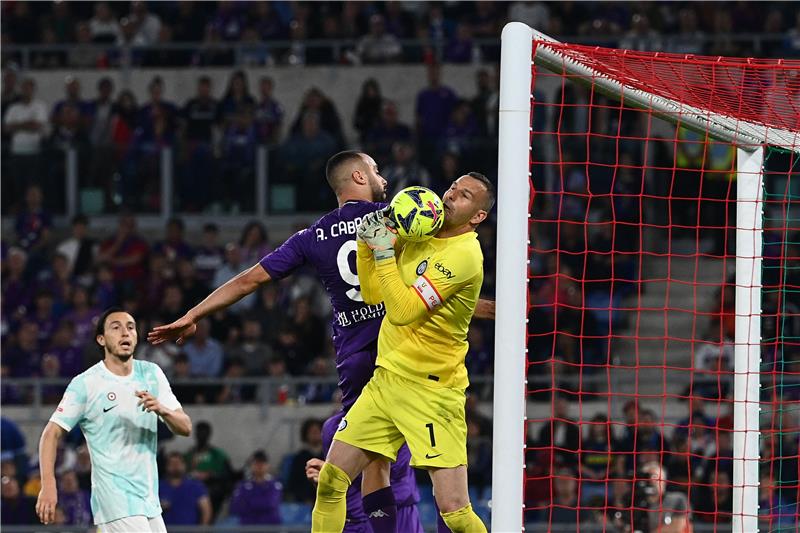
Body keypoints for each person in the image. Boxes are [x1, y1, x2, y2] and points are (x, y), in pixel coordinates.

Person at [150, 151, 442, 532]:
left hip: (356, 359)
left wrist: (193, 314)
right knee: (437, 457)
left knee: (373, 463)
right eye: (374, 170)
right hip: (401, 347)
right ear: (358, 176)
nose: (382, 177)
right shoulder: (395, 217)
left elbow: (248, 280)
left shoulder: (313, 236)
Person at [312, 171, 496, 532]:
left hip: (431, 392)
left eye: (464, 196)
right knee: (331, 482)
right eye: (452, 188)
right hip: (387, 381)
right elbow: (373, 294)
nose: (450, 195)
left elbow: (402, 311)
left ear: (478, 216)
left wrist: (384, 251)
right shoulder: (420, 231)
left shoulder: (463, 255)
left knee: (455, 512)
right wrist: (366, 245)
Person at [36, 308, 191, 532]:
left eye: (130, 327)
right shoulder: (86, 383)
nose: (125, 333)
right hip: (114, 498)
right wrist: (48, 485)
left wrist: (162, 410)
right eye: (116, 327)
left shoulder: (152, 373)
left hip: (148, 498)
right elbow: (51, 433)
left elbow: (185, 427)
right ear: (101, 339)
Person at [159, 452, 211, 526]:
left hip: (189, 529)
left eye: (178, 463)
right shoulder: (158, 486)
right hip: (165, 529)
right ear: (166, 466)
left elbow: (206, 510)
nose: (175, 466)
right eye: (172, 463)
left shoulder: (196, 486)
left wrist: (203, 529)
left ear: (185, 465)